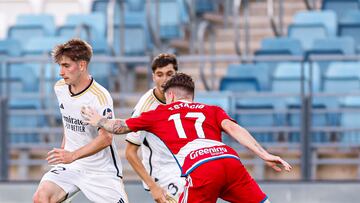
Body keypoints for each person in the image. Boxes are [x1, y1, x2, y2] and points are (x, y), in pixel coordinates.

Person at [81, 73, 292, 203]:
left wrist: (99, 120)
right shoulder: (211, 109)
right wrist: (264, 154)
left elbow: (120, 127)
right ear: (192, 96)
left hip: (201, 167)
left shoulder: (158, 113)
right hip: (230, 161)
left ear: (170, 96)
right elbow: (235, 129)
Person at [33, 39, 128, 203]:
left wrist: (73, 155)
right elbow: (67, 119)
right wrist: (65, 148)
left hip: (99, 169)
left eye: (66, 66)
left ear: (82, 65)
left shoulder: (99, 97)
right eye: (60, 66)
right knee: (42, 197)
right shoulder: (60, 87)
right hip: (71, 165)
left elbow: (106, 138)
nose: (61, 72)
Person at [125, 53, 185, 203]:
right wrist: (153, 186)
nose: (164, 79)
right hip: (161, 175)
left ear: (177, 75)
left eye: (169, 74)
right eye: (160, 74)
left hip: (182, 168)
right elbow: (130, 152)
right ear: (153, 77)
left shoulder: (183, 97)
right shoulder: (145, 108)